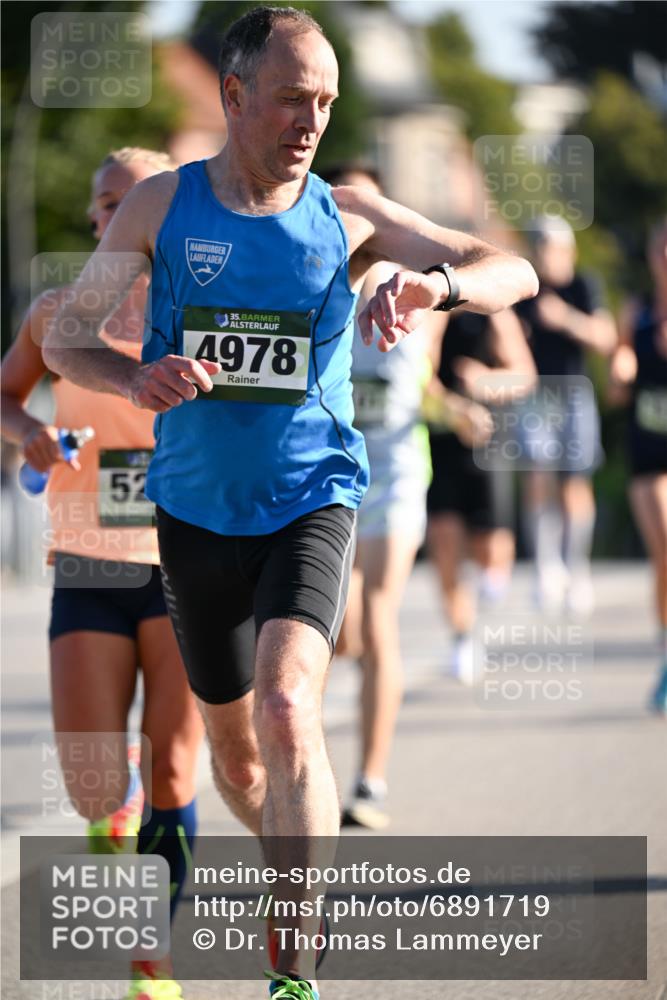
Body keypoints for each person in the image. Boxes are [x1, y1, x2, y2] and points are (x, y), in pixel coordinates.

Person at [42, 8, 538, 998]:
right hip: (191, 513)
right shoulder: (159, 209)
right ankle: (280, 857)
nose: (310, 119)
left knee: (286, 699)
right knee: (239, 757)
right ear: (232, 96)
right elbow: (67, 340)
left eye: (325, 101)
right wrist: (134, 378)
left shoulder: (347, 212)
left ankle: (293, 961)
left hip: (313, 496)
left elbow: (510, 269)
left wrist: (432, 287)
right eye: (291, 97)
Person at [1, 147, 204, 1000]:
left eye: (132, 201)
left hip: (188, 565)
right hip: (87, 559)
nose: (110, 218)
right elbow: (5, 397)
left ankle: (151, 961)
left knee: (174, 772)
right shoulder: (58, 315)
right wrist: (31, 438)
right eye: (102, 205)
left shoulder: (197, 312)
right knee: (93, 783)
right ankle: (108, 813)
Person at [320, 162, 442, 831]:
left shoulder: (418, 289)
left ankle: (368, 779)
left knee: (378, 612)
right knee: (343, 631)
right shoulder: (312, 286)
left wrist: (471, 392)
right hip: (328, 473)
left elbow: (433, 380)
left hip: (396, 472)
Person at [426, 307, 536, 682]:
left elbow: (524, 376)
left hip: (487, 442)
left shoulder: (491, 313)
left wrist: (485, 380)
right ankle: (461, 637)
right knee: (444, 542)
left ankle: (485, 601)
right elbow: (416, 374)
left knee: (491, 551)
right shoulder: (425, 312)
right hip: (440, 439)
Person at [515, 216, 617, 615]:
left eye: (552, 246)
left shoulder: (583, 285)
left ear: (568, 250)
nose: (546, 254)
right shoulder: (527, 289)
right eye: (539, 246)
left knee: (575, 485)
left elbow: (605, 337)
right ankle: (545, 568)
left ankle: (577, 570)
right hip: (535, 395)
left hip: (574, 393)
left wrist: (566, 319)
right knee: (538, 476)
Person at [609, 219, 667, 715]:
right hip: (648, 452)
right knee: (664, 551)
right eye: (662, 247)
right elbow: (617, 386)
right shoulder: (639, 311)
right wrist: (620, 369)